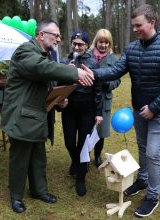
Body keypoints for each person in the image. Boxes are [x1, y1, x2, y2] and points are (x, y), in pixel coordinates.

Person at [87, 4, 160, 218]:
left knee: (153, 153)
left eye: (138, 25)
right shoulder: (132, 49)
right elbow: (115, 70)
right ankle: (142, 180)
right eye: (133, 26)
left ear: (152, 22)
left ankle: (152, 196)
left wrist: (154, 108)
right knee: (142, 147)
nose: (135, 29)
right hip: (140, 110)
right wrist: (93, 73)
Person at [0, 21, 94, 214]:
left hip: (37, 116)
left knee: (38, 157)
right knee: (20, 159)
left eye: (59, 36)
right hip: (22, 116)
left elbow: (46, 83)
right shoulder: (25, 51)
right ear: (42, 35)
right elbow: (41, 69)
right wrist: (74, 72)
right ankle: (16, 196)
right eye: (56, 35)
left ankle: (39, 191)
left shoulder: (45, 55)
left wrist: (59, 101)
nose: (59, 39)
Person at [60, 31, 103, 196]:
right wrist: (65, 72)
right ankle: (76, 162)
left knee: (83, 144)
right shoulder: (65, 61)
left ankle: (80, 178)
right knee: (70, 143)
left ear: (86, 45)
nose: (77, 47)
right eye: (74, 43)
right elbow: (58, 84)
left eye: (81, 44)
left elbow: (98, 89)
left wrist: (98, 113)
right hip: (69, 108)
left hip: (87, 109)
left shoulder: (93, 62)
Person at [89, 29, 121, 167]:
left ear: (109, 44)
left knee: (100, 132)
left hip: (104, 100)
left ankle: (97, 155)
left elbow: (117, 80)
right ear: (96, 42)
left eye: (106, 42)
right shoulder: (88, 56)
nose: (103, 45)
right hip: (88, 98)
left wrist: (107, 83)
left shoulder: (114, 60)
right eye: (101, 41)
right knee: (87, 129)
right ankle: (85, 156)